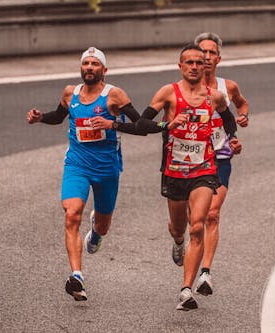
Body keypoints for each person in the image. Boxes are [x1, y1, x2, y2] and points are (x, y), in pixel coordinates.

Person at [26, 47, 143, 302]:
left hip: (107, 168)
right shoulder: (71, 93)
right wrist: (40, 118)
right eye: (86, 63)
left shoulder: (114, 95)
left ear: (104, 70)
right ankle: (77, 276)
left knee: (103, 225)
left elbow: (141, 126)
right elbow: (59, 116)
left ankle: (96, 233)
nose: (89, 67)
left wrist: (112, 124)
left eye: (94, 64)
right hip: (77, 164)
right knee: (71, 214)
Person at [133, 44, 240, 311]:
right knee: (179, 228)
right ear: (180, 66)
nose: (194, 66)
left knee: (198, 224)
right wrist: (166, 125)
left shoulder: (215, 97)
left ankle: (186, 289)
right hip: (174, 171)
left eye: (198, 62)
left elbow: (229, 122)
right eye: (188, 62)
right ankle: (178, 242)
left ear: (205, 66)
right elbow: (141, 124)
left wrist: (233, 139)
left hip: (204, 169)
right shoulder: (168, 93)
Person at [192, 32, 249, 296]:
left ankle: (205, 273)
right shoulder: (183, 89)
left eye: (211, 52)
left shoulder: (229, 87)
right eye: (202, 52)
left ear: (218, 58)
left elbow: (242, 104)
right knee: (192, 220)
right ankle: (181, 241)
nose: (206, 56)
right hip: (191, 158)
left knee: (212, 214)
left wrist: (243, 116)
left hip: (220, 157)